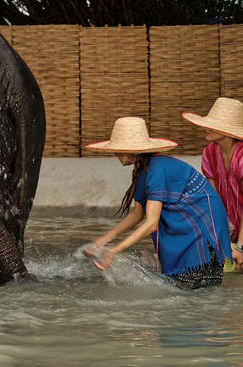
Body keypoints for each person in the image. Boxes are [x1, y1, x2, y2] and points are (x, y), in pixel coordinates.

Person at [82, 116, 232, 290]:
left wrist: (114, 251)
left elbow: (151, 224)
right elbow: (136, 215)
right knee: (185, 290)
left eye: (117, 150)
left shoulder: (157, 169)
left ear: (129, 151)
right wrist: (102, 241)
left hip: (201, 230)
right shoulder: (142, 170)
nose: (115, 154)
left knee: (195, 290)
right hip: (189, 227)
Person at [183, 97, 243, 271]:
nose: (205, 127)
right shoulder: (210, 153)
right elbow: (213, 202)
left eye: (212, 124)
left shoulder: (241, 156)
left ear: (227, 131)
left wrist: (240, 246)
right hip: (235, 229)